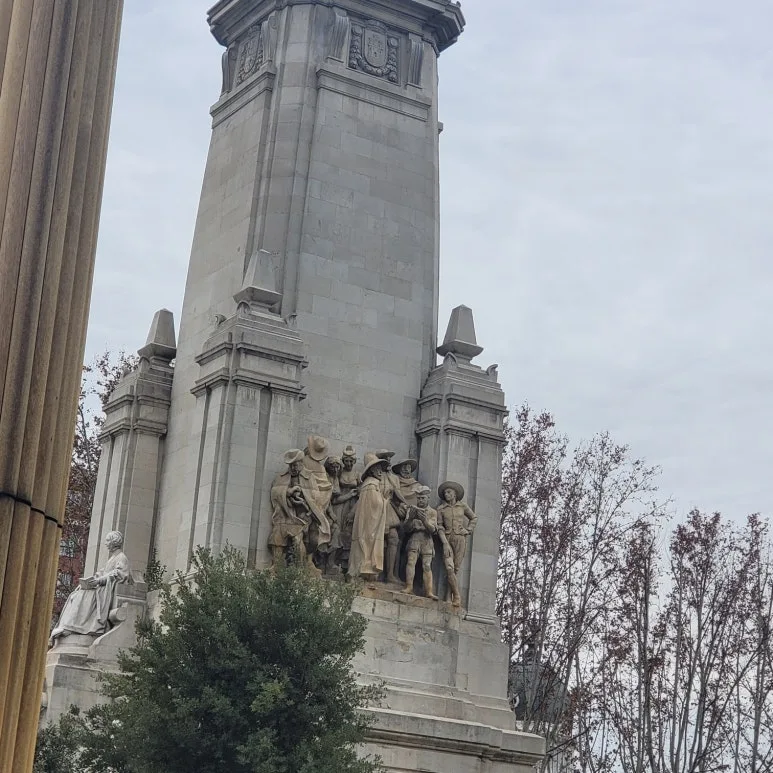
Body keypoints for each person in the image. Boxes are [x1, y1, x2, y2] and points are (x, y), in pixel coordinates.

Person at [49, 531, 131, 647]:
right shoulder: (112, 558)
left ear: (114, 542)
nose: (106, 544)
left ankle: (74, 626)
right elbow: (102, 572)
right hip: (100, 587)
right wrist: (90, 581)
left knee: (84, 595)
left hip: (105, 590)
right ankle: (67, 625)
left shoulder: (122, 558)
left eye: (108, 541)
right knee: (76, 593)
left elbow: (119, 574)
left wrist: (99, 581)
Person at [268, 449, 330, 570]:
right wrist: (288, 492)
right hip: (285, 514)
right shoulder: (282, 476)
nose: (293, 468)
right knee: (277, 535)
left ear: (301, 463)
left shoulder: (309, 477)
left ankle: (300, 568)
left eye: (295, 465)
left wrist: (302, 495)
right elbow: (275, 491)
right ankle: (276, 565)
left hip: (302, 516)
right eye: (291, 465)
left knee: (298, 539)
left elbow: (315, 496)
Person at [348, 453, 391, 581]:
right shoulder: (372, 485)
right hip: (369, 524)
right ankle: (363, 570)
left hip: (366, 523)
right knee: (367, 544)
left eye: (381, 470)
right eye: (378, 469)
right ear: (371, 470)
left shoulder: (369, 484)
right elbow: (376, 504)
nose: (380, 472)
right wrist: (386, 500)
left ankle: (362, 571)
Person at [376, 449, 408, 583]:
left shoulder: (394, 478)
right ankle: (375, 572)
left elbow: (397, 493)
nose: (389, 461)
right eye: (386, 458)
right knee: (377, 539)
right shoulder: (375, 474)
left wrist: (405, 503)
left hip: (388, 508)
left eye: (390, 458)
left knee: (393, 538)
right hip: (377, 508)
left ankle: (390, 574)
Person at [402, 486, 438, 599]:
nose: (420, 500)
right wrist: (410, 519)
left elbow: (433, 530)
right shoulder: (412, 510)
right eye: (418, 498)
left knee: (427, 565)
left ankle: (429, 591)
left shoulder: (432, 512)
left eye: (423, 498)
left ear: (428, 498)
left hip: (427, 540)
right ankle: (409, 587)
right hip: (415, 538)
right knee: (411, 562)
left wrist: (424, 520)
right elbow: (406, 529)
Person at [436, 481, 477, 580]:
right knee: (449, 567)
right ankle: (454, 589)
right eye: (445, 493)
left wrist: (468, 530)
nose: (446, 495)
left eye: (449, 492)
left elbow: (474, 518)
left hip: (460, 538)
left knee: (456, 568)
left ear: (455, 494)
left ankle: (449, 590)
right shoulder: (441, 509)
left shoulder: (462, 506)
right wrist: (444, 542)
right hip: (447, 538)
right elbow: (439, 526)